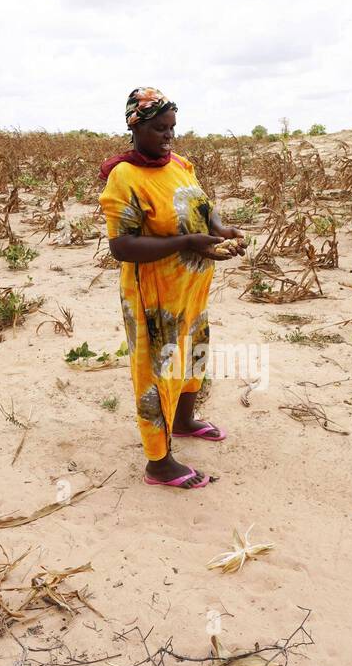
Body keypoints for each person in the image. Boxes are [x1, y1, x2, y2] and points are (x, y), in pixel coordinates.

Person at [98, 87, 245, 489]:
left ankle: (183, 421)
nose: (168, 137)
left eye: (172, 128)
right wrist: (185, 243)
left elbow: (202, 209)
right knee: (155, 371)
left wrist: (221, 230)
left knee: (192, 355)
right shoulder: (124, 176)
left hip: (191, 290)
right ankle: (158, 464)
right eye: (160, 129)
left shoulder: (180, 164)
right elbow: (121, 246)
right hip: (154, 297)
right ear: (137, 127)